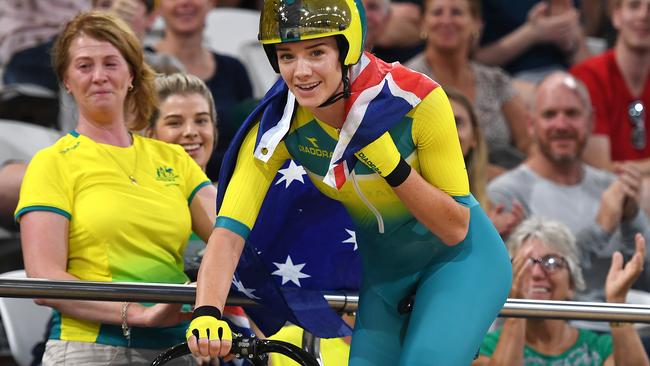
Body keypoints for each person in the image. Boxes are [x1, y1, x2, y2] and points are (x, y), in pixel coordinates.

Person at [185, 0, 512, 364]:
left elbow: (455, 229)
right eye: (286, 56)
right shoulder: (278, 124)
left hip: (462, 262)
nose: (301, 71)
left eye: (316, 52)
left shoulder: (417, 99)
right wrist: (206, 312)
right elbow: (229, 231)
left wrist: (393, 167)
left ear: (347, 50)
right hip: (386, 274)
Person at [14, 11, 216, 365]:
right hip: (89, 349)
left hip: (179, 349)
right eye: (84, 66)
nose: (99, 77)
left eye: (111, 63)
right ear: (66, 79)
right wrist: (139, 314)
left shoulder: (173, 158)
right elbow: (44, 281)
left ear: (132, 73)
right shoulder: (53, 162)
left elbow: (230, 236)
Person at [487, 71, 650, 301]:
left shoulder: (611, 185)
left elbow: (645, 278)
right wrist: (600, 229)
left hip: (615, 324)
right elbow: (529, 280)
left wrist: (631, 219)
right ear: (531, 124)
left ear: (591, 121)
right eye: (550, 114)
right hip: (552, 328)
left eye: (572, 113)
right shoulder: (507, 193)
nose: (561, 124)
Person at [473, 217, 650, 366]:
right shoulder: (485, 347)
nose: (536, 273)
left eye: (552, 263)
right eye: (525, 264)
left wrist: (617, 301)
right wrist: (516, 307)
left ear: (571, 284)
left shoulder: (598, 348)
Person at [405, 0, 530, 171]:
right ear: (422, 23)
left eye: (456, 13)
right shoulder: (404, 82)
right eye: (437, 13)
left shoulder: (496, 81)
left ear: (477, 24)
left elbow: (527, 144)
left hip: (504, 187)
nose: (446, 20)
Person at [153, 0, 254, 181]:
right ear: (157, 5)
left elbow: (250, 138)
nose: (184, 3)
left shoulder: (235, 69)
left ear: (212, 3)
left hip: (230, 188)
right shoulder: (142, 68)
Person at [570, 0, 650, 216]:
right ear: (616, 15)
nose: (644, 16)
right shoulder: (589, 76)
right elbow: (602, 169)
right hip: (598, 198)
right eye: (634, 6)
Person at [446, 88, 524, 237]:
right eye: (439, 122)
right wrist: (486, 233)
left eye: (457, 122)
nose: (449, 130)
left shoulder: (496, 194)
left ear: (474, 137)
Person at [475, 0, 591, 82]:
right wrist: (531, 33)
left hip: (564, 78)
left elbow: (586, 64)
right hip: (508, 81)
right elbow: (472, 61)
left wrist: (569, 43)